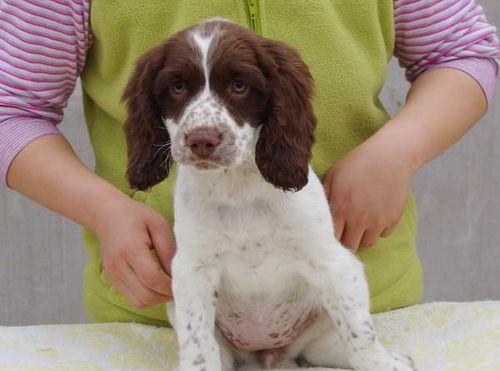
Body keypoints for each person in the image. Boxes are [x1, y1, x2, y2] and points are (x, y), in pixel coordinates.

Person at [0, 0, 498, 327]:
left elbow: (462, 50)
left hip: (354, 307)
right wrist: (104, 210)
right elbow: (11, 108)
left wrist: (398, 151)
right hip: (166, 313)